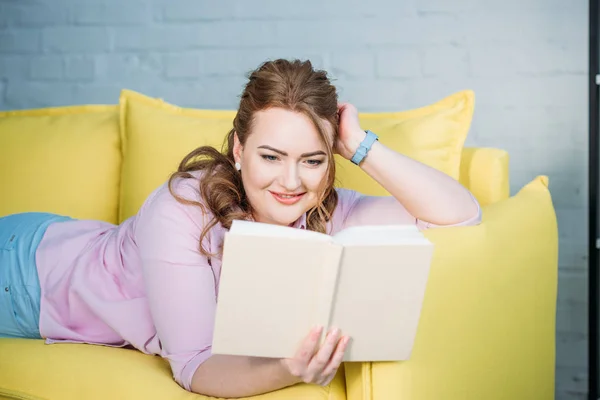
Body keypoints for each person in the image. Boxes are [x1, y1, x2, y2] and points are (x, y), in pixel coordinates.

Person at [0, 59, 481, 398]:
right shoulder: (182, 206)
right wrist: (289, 370)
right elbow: (194, 366)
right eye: (271, 157)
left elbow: (460, 215)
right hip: (28, 276)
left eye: (312, 160)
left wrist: (358, 143)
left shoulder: (328, 212)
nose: (291, 183)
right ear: (238, 149)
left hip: (65, 239)